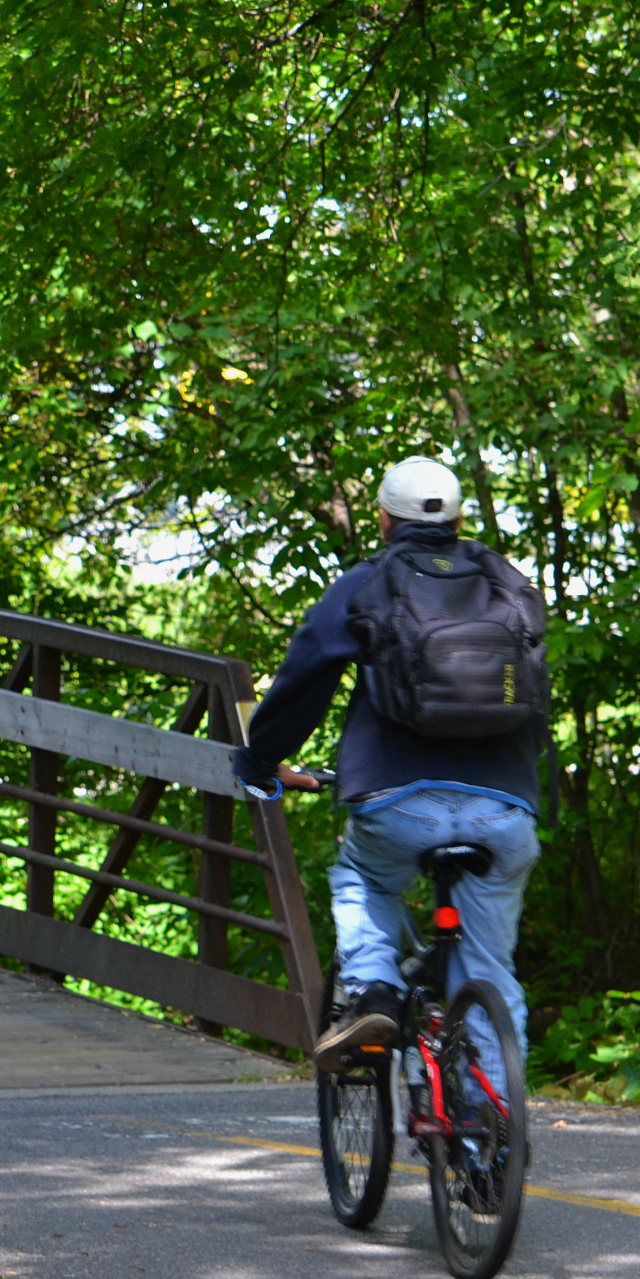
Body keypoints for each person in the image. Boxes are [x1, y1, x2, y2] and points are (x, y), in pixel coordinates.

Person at [230, 455, 549, 1088]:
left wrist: (259, 761)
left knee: (362, 878)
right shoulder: (508, 586)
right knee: (488, 972)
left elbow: (305, 678)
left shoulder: (366, 585)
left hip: (396, 801)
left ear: (383, 519)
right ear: (459, 519)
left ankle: (374, 991)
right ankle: (489, 1141)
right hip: (505, 809)